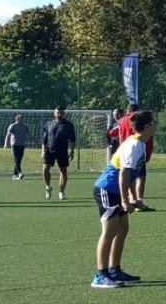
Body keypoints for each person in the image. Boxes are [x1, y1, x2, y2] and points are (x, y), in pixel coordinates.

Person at [90, 109, 154, 288]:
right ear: (148, 127)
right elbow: (123, 174)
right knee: (109, 231)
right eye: (153, 123)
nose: (154, 126)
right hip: (107, 189)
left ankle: (114, 270)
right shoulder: (134, 145)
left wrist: (134, 197)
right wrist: (126, 200)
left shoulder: (140, 143)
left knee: (123, 228)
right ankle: (100, 276)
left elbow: (131, 174)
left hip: (117, 191)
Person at [41, 107, 77, 200]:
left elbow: (72, 140)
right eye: (58, 113)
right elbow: (44, 140)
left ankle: (61, 192)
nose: (59, 114)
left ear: (64, 114)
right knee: (45, 169)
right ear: (54, 113)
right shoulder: (48, 124)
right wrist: (42, 151)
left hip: (62, 151)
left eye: (61, 113)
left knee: (63, 171)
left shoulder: (69, 125)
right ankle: (48, 187)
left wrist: (72, 151)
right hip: (49, 150)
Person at [4, 114, 29, 180]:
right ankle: (20, 173)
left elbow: (29, 133)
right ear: (16, 119)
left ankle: (15, 174)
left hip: (22, 145)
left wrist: (35, 140)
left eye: (22, 118)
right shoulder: (12, 126)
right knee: (16, 159)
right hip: (14, 145)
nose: (21, 120)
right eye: (20, 118)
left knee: (19, 160)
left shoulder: (25, 126)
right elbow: (8, 135)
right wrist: (6, 144)